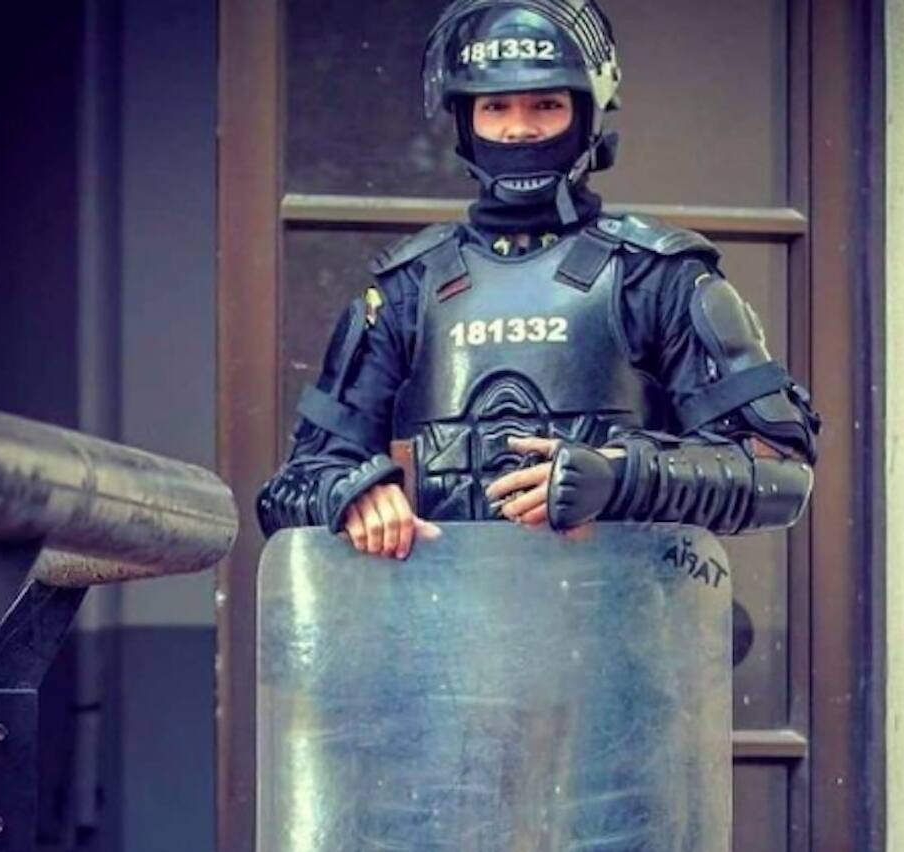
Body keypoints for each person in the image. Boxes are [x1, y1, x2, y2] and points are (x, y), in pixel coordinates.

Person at [256, 0, 820, 557]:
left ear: (587, 113)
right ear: (466, 121)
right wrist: (352, 494)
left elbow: (779, 478)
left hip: (626, 610)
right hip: (438, 613)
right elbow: (292, 487)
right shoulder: (408, 289)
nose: (519, 129)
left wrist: (623, 478)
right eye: (495, 107)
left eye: (546, 104)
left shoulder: (656, 276)